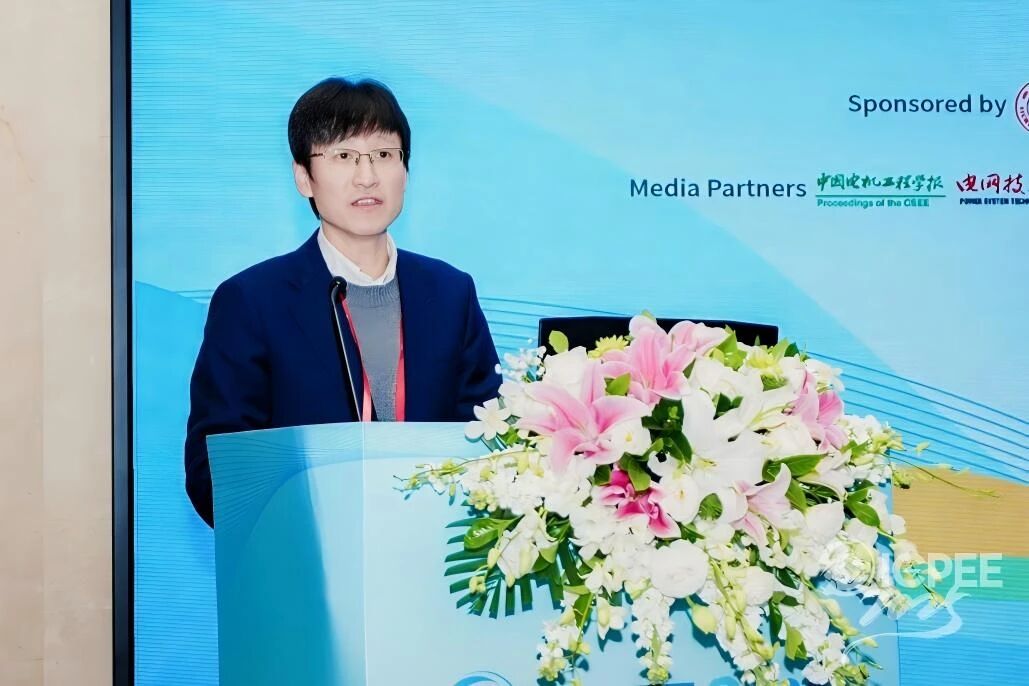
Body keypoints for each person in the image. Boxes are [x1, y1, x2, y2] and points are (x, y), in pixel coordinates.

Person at [184, 77, 501, 527]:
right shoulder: (252, 301)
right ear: (303, 177)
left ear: (406, 170)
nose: (366, 176)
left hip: (434, 554)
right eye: (344, 156)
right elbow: (214, 471)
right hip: (304, 556)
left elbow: (489, 439)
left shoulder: (451, 293)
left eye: (384, 155)